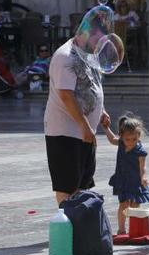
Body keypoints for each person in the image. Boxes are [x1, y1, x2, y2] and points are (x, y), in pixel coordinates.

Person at [44, 17, 110, 204]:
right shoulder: (66, 56)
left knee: (83, 184)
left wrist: (101, 109)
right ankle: (67, 228)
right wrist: (84, 125)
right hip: (65, 132)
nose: (99, 46)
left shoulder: (88, 54)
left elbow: (92, 84)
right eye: (98, 40)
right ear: (86, 33)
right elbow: (66, 95)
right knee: (67, 187)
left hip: (84, 132)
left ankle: (80, 227)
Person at [102, 112, 149, 235]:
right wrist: (106, 128)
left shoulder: (140, 150)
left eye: (134, 139)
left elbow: (143, 167)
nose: (130, 142)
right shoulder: (120, 143)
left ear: (139, 136)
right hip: (123, 180)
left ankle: (134, 228)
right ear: (122, 136)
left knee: (135, 205)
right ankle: (121, 229)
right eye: (127, 139)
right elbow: (112, 139)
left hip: (136, 181)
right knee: (123, 204)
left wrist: (144, 177)